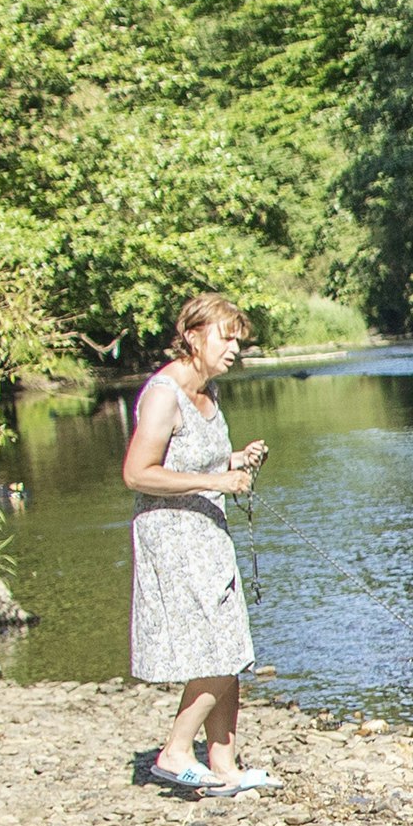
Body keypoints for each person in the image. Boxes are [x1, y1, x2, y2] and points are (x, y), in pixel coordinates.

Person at [122, 294, 269, 793]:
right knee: (215, 650)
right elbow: (137, 473)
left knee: (232, 644)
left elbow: (198, 459)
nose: (234, 350)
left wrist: (234, 460)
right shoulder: (164, 393)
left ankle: (224, 764)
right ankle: (175, 751)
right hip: (173, 536)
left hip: (208, 533)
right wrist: (215, 483)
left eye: (237, 341)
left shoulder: (207, 393)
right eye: (226, 338)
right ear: (192, 336)